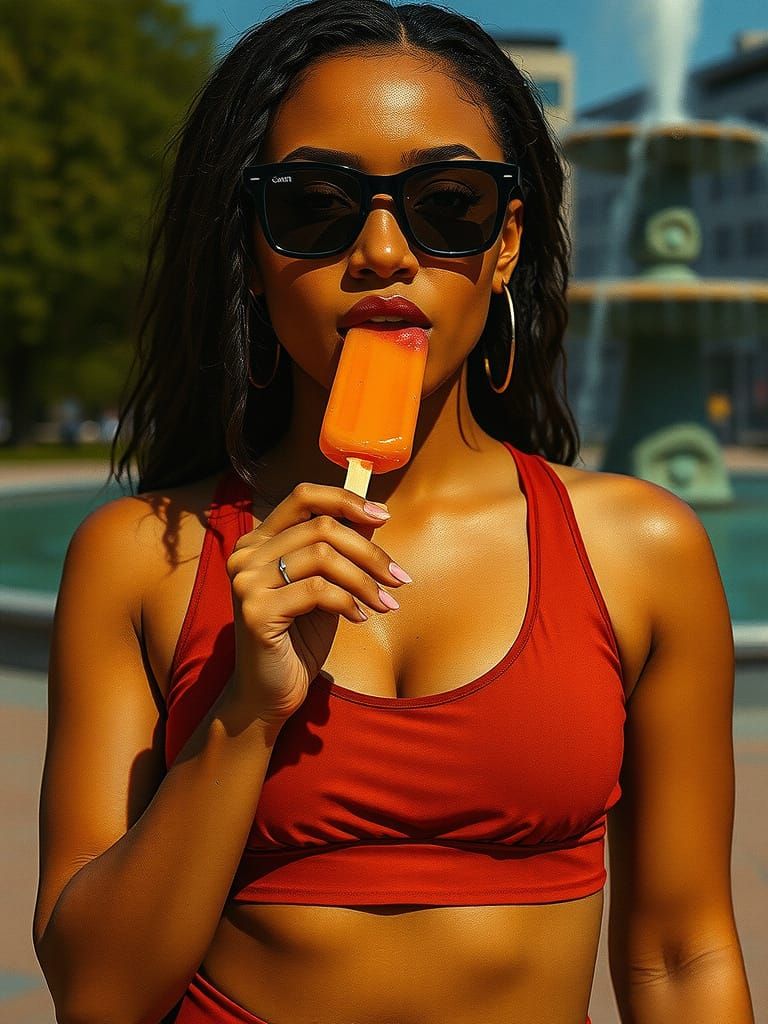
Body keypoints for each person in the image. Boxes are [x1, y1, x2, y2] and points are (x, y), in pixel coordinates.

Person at [33, 2, 754, 1022]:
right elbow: (98, 994)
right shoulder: (143, 554)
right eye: (316, 205)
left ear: (506, 244)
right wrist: (245, 713)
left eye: (447, 203)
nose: (381, 249)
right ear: (250, 251)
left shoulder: (642, 550)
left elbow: (682, 957)